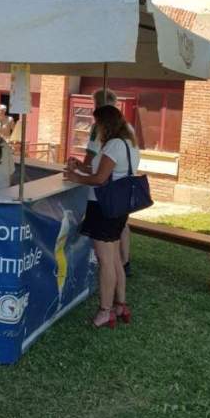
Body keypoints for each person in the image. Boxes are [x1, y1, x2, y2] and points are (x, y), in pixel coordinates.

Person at [64, 105, 140, 329]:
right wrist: (81, 168)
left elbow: (100, 179)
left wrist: (76, 178)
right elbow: (105, 173)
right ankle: (120, 304)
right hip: (117, 207)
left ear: (106, 124)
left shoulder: (114, 145)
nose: (95, 127)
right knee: (115, 257)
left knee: (105, 260)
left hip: (103, 208)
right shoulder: (129, 144)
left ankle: (105, 310)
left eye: (97, 123)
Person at [83, 88, 132, 277]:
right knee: (118, 240)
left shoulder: (111, 140)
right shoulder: (128, 130)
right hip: (121, 196)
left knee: (106, 259)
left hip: (104, 200)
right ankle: (125, 262)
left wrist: (79, 174)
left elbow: (98, 175)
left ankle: (106, 306)